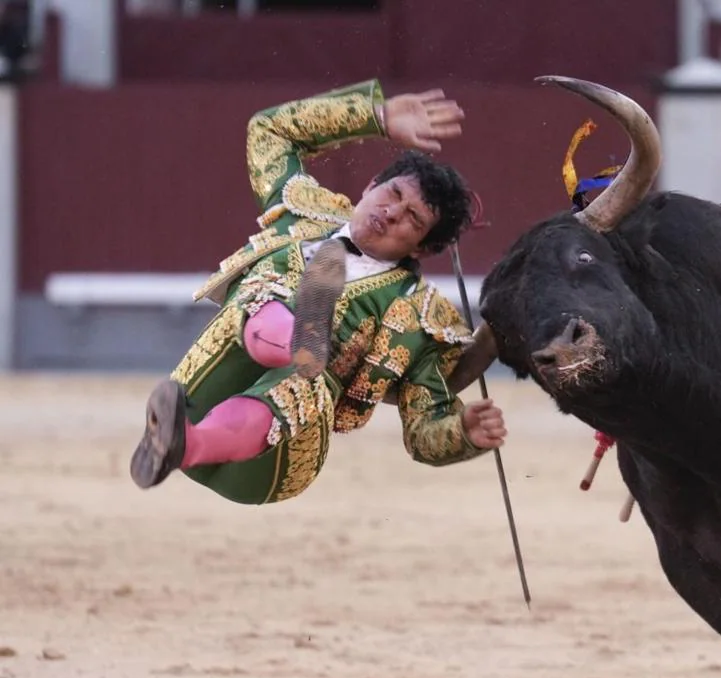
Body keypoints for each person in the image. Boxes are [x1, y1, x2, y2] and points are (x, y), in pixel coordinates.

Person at [129, 79, 506, 505]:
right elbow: (269, 130)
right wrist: (375, 116)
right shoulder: (303, 209)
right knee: (268, 291)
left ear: (420, 248)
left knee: (308, 377)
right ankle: (194, 433)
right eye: (393, 193)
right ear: (368, 187)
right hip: (198, 398)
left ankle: (294, 354)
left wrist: (463, 434)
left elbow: (424, 429)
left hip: (271, 463)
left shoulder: (419, 317)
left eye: (412, 220)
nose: (392, 212)